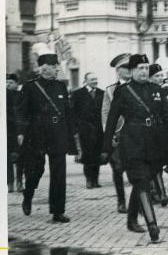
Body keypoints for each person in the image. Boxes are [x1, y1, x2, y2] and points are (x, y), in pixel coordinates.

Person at [102, 54, 168, 241]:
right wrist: (106, 148)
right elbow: (111, 120)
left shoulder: (156, 89)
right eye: (140, 68)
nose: (144, 71)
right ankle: (152, 225)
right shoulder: (123, 91)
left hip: (154, 143)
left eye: (146, 68)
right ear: (132, 71)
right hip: (132, 142)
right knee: (142, 181)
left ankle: (132, 218)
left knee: (142, 181)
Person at [17, 53, 81, 222]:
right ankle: (28, 194)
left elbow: (67, 112)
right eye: (54, 67)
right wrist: (21, 133)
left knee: (59, 172)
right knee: (35, 170)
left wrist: (72, 133)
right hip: (37, 134)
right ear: (45, 68)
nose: (57, 69)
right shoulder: (30, 87)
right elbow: (22, 112)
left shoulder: (60, 87)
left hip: (57, 133)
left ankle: (57, 211)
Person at [101, 53, 131, 213]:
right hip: (118, 135)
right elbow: (105, 114)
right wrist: (109, 135)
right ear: (118, 70)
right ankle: (121, 200)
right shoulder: (110, 91)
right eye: (126, 67)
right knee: (118, 169)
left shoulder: (139, 86)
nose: (129, 70)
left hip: (136, 135)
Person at [71, 72, 105, 189]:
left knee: (97, 155)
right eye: (92, 79)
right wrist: (76, 128)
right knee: (87, 156)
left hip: (98, 130)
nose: (95, 81)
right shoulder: (77, 94)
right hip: (84, 130)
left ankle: (96, 180)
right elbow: (73, 112)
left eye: (96, 79)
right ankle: (89, 180)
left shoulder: (102, 93)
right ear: (86, 81)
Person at [148, 63, 168, 206]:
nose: (161, 78)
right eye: (157, 76)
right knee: (150, 163)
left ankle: (159, 192)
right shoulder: (145, 90)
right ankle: (158, 193)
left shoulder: (161, 91)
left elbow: (167, 113)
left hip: (160, 131)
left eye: (161, 75)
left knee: (158, 162)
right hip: (147, 131)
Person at [6, 73, 21, 193]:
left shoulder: (22, 95)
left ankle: (19, 181)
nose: (7, 84)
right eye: (6, 82)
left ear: (17, 84)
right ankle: (9, 182)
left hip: (20, 131)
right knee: (7, 158)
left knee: (21, 157)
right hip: (8, 131)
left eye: (10, 82)